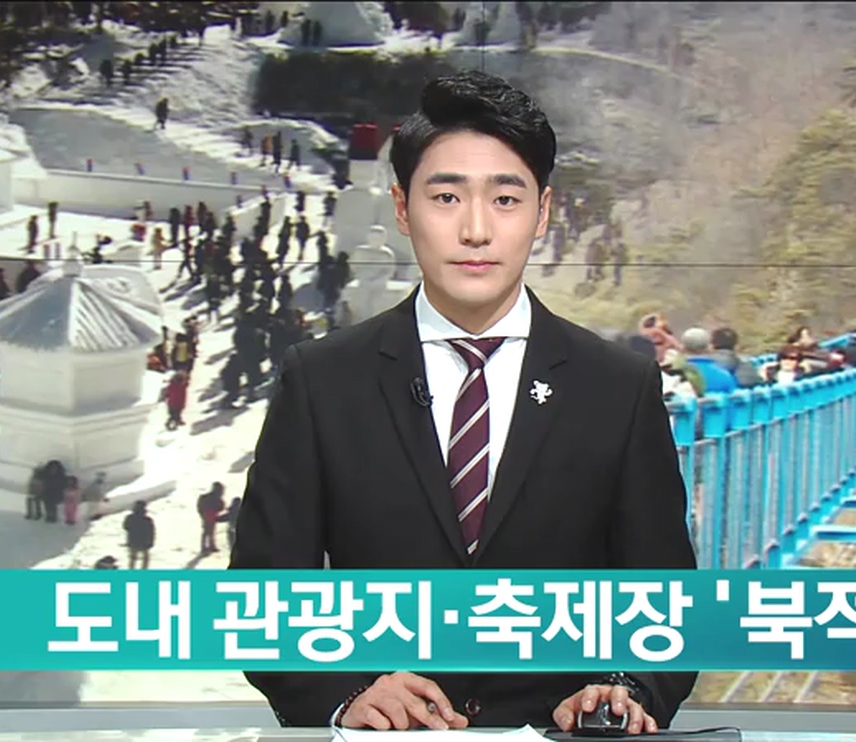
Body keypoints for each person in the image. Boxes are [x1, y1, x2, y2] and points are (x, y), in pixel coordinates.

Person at [231, 71, 696, 733]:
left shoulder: (617, 386)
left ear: (542, 213)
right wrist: (345, 693)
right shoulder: (323, 380)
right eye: (446, 197)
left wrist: (624, 690)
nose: (475, 230)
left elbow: (668, 599)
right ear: (401, 208)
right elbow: (261, 595)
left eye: (505, 199)